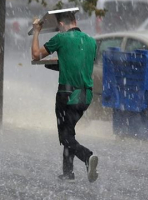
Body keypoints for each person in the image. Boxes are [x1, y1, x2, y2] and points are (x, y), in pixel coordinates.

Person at [31, 11, 99, 183]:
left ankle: (87, 156)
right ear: (75, 21)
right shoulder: (91, 41)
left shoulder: (61, 39)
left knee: (65, 137)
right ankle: (68, 172)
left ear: (61, 24)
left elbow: (36, 55)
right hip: (86, 96)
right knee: (69, 132)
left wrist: (37, 31)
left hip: (67, 95)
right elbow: (80, 65)